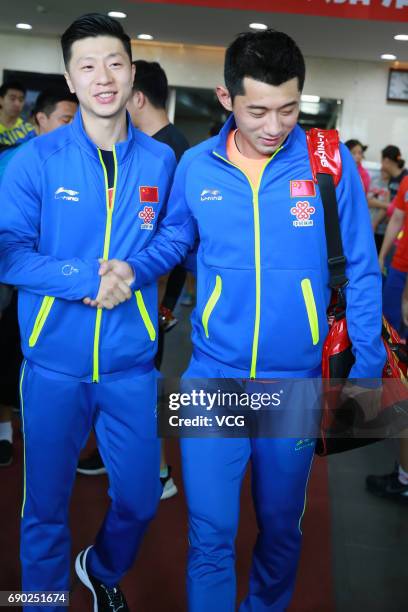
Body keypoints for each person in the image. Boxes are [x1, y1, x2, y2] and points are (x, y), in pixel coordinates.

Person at [125, 29, 385, 611]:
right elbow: (172, 241)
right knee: (210, 533)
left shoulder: (328, 162)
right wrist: (128, 267)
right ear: (226, 99)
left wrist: (366, 367)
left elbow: (362, 272)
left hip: (294, 381)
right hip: (213, 376)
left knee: (281, 528)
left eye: (289, 108)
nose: (274, 125)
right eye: (258, 110)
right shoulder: (195, 166)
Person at [0, 13, 176, 611]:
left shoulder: (160, 162)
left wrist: (134, 270)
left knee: (140, 500)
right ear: (70, 80)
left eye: (115, 63)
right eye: (87, 66)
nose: (103, 77)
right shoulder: (35, 160)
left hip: (132, 365)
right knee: (44, 506)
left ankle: (100, 565)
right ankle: (42, 602)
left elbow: (173, 239)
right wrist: (84, 279)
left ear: (132, 73)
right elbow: (8, 252)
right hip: (52, 366)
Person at [77, 60, 189, 500]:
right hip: (138, 290)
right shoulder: (150, 146)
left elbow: (171, 236)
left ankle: (158, 474)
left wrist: (161, 299)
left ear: (137, 97)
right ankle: (117, 454)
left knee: (144, 380)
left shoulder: (167, 152)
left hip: (150, 292)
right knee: (125, 379)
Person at [0, 91, 78, 468]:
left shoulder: (75, 165)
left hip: (55, 289)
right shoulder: (17, 160)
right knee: (7, 354)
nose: (74, 128)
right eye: (66, 119)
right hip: (18, 281)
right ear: (40, 120)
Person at [0, 81, 36, 146]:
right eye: (12, 99)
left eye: (21, 100)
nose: (17, 104)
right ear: (1, 100)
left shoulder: (29, 131)